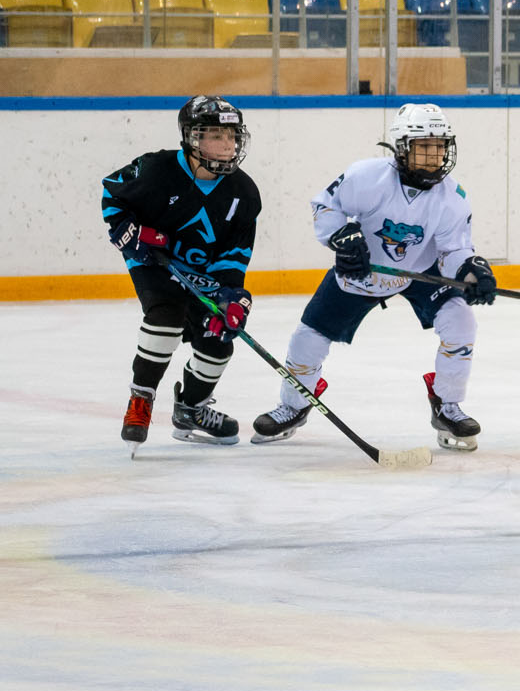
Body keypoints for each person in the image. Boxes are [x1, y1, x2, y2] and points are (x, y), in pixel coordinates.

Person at [252, 103, 497, 452]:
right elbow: (325, 205)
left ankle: (447, 405)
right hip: (362, 269)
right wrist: (341, 237)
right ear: (402, 148)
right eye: (424, 147)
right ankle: (294, 403)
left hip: (420, 271)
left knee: (461, 321)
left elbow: (453, 248)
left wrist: (472, 269)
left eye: (440, 146)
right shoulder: (366, 176)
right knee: (308, 338)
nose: (434, 156)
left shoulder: (453, 197)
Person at [101, 95, 262, 451]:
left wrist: (231, 296)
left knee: (218, 341)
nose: (227, 144)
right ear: (192, 137)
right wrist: (128, 232)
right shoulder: (156, 170)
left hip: (203, 272)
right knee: (166, 317)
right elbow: (113, 195)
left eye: (231, 135)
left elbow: (234, 256)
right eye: (216, 135)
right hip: (154, 261)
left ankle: (191, 409)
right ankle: (141, 399)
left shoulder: (245, 193)